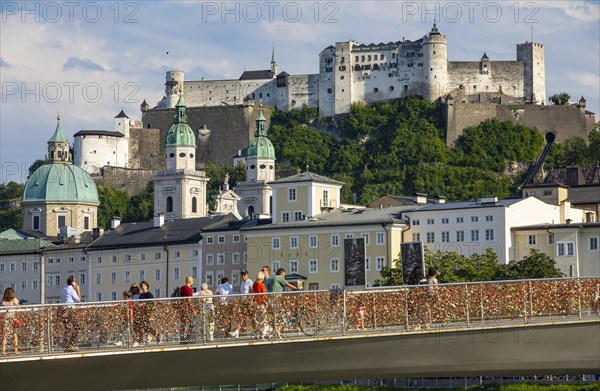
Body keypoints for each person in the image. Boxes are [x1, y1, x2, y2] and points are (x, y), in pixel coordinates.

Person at [229, 271, 253, 338]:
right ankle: (237, 331)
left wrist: (249, 299)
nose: (243, 276)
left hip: (248, 302)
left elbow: (252, 291)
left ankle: (254, 331)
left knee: (251, 317)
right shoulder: (242, 282)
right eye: (242, 274)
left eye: (244, 274)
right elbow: (241, 292)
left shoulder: (250, 281)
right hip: (243, 302)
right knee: (241, 317)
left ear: (247, 275)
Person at [60, 276, 81, 352]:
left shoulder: (63, 289)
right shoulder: (72, 290)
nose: (76, 283)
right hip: (70, 310)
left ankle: (66, 345)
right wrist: (78, 289)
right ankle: (71, 344)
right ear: (72, 282)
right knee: (77, 326)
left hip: (63, 310)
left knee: (67, 328)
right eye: (75, 281)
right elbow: (78, 300)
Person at [136, 281, 158, 346]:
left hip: (147, 312)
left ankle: (152, 335)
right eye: (142, 286)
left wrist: (144, 304)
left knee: (146, 325)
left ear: (147, 286)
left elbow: (151, 303)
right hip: (142, 312)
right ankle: (150, 336)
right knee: (144, 325)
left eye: (144, 286)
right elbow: (140, 303)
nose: (143, 287)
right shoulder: (141, 295)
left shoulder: (149, 294)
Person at [1, 287, 20, 355]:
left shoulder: (3, 301)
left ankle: (3, 351)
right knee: (14, 335)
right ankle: (16, 350)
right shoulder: (14, 300)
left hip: (5, 320)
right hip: (13, 320)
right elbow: (18, 308)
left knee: (4, 336)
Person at [178, 276, 195, 344]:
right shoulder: (189, 289)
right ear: (189, 281)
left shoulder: (181, 288)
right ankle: (188, 338)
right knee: (192, 323)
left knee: (183, 323)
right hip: (186, 308)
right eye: (192, 281)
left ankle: (182, 339)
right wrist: (193, 310)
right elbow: (189, 300)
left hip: (181, 308)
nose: (193, 282)